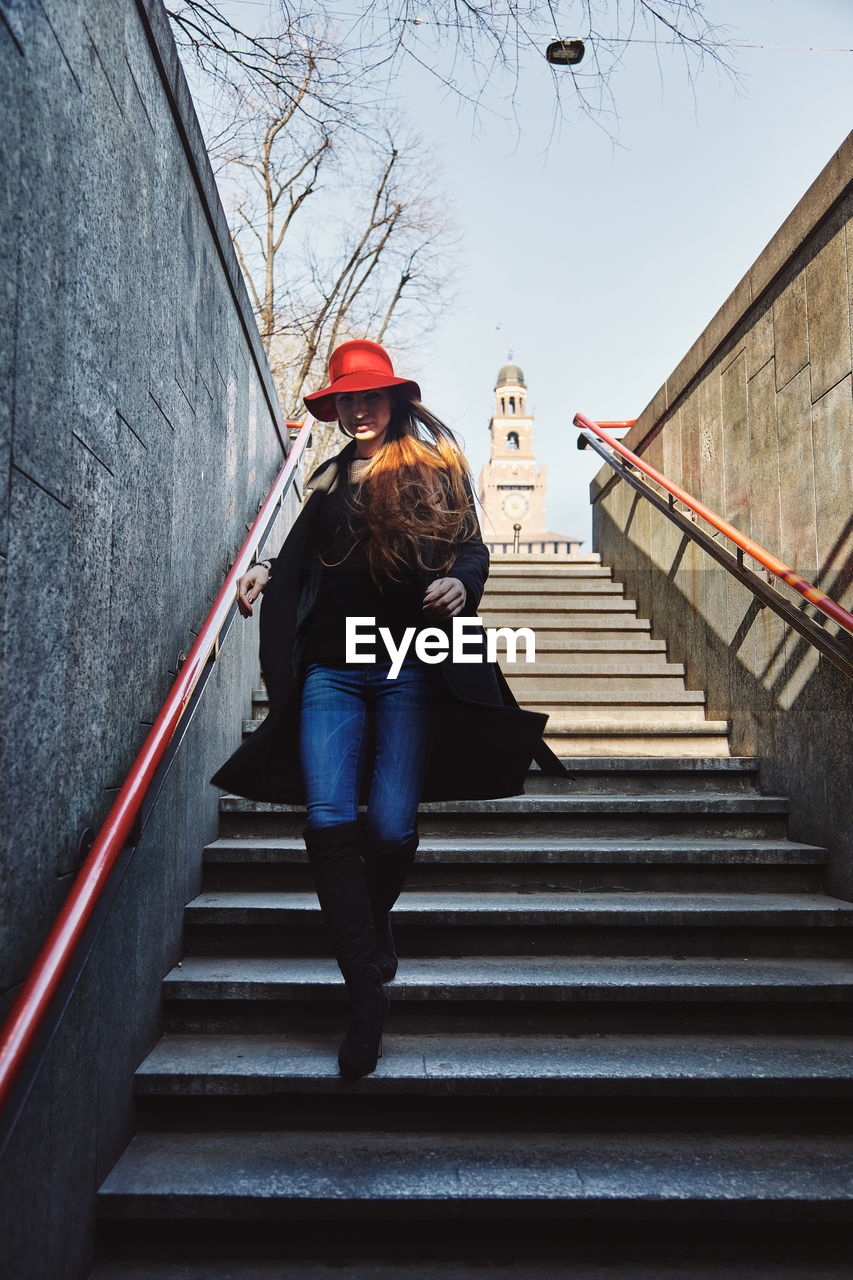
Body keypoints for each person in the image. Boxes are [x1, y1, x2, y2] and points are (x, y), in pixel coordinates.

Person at [212, 339, 568, 1078]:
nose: (358, 408)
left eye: (370, 396)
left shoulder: (437, 469)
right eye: (346, 398)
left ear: (395, 399)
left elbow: (472, 550)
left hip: (410, 666)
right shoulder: (328, 476)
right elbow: (300, 557)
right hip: (331, 674)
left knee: (390, 824)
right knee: (329, 821)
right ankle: (365, 992)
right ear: (335, 407)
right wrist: (264, 572)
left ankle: (370, 923)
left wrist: (463, 587)